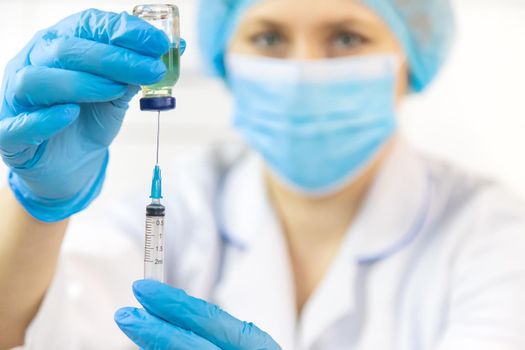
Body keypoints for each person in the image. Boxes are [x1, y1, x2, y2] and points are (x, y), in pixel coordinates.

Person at [1, 0, 525, 349]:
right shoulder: (188, 200)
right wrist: (37, 207)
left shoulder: (487, 232)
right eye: (269, 38)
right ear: (227, 57)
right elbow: (27, 329)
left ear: (412, 58)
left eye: (346, 38)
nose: (302, 70)